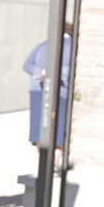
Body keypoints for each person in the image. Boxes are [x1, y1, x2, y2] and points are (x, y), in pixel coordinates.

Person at [23, 23, 73, 168]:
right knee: (58, 127)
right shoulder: (70, 47)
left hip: (37, 89)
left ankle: (44, 163)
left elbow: (26, 64)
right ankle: (55, 161)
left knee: (39, 127)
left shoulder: (43, 45)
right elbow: (67, 71)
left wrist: (39, 73)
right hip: (59, 91)